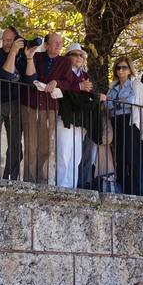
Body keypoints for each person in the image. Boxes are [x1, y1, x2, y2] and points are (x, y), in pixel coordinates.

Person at [0, 27, 28, 180]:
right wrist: (13, 52)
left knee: (15, 144)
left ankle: (11, 178)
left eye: (9, 40)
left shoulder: (23, 55)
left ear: (16, 40)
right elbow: (6, 74)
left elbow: (30, 77)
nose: (5, 43)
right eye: (4, 40)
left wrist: (27, 55)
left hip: (15, 102)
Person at [20, 32, 63, 183]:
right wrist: (30, 58)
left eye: (61, 42)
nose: (59, 45)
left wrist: (56, 82)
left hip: (50, 108)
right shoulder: (37, 58)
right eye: (55, 42)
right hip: (31, 105)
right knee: (31, 146)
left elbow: (68, 82)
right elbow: (30, 78)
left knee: (45, 147)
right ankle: (29, 180)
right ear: (46, 45)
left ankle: (41, 178)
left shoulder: (64, 62)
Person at [54, 44, 96, 189]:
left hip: (79, 120)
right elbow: (62, 88)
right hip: (65, 117)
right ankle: (62, 186)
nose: (79, 58)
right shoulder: (63, 70)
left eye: (81, 56)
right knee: (64, 153)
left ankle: (71, 187)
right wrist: (79, 87)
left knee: (76, 156)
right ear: (68, 57)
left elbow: (88, 95)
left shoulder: (85, 75)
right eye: (75, 54)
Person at [105, 57, 143, 196]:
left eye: (124, 67)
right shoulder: (113, 87)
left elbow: (132, 102)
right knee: (120, 157)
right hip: (117, 121)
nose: (120, 70)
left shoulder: (135, 85)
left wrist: (116, 102)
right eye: (118, 67)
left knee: (133, 158)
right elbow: (107, 104)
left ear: (130, 69)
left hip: (131, 122)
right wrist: (120, 101)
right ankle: (122, 190)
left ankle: (135, 192)